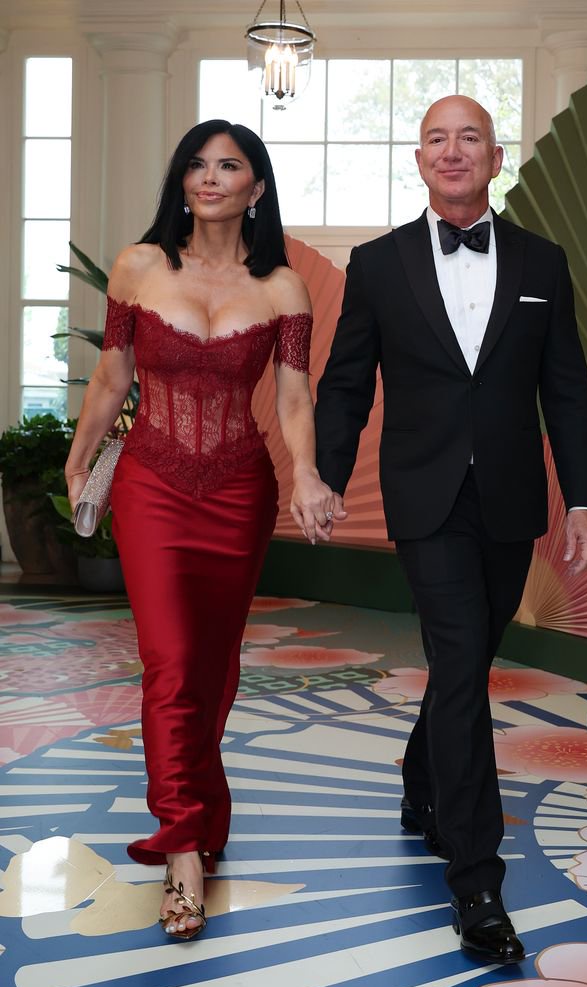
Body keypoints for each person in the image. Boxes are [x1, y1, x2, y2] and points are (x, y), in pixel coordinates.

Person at [314, 95, 587, 965]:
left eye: (468, 136)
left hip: (511, 499)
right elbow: (345, 381)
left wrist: (579, 499)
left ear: (493, 156)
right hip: (425, 497)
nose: (452, 150)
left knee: (462, 660)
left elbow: (567, 389)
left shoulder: (543, 261)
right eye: (436, 137)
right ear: (418, 158)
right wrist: (322, 475)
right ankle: (476, 882)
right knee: (461, 664)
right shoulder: (377, 262)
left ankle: (418, 780)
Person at [65, 119, 335, 940]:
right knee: (171, 662)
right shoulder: (140, 266)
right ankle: (182, 853)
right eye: (196, 164)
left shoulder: (283, 287)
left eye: (229, 166)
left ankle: (204, 813)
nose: (209, 178)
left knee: (214, 668)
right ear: (180, 181)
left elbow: (292, 398)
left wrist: (310, 476)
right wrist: (80, 463)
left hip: (237, 490)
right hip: (150, 482)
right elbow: (113, 378)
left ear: (256, 185)